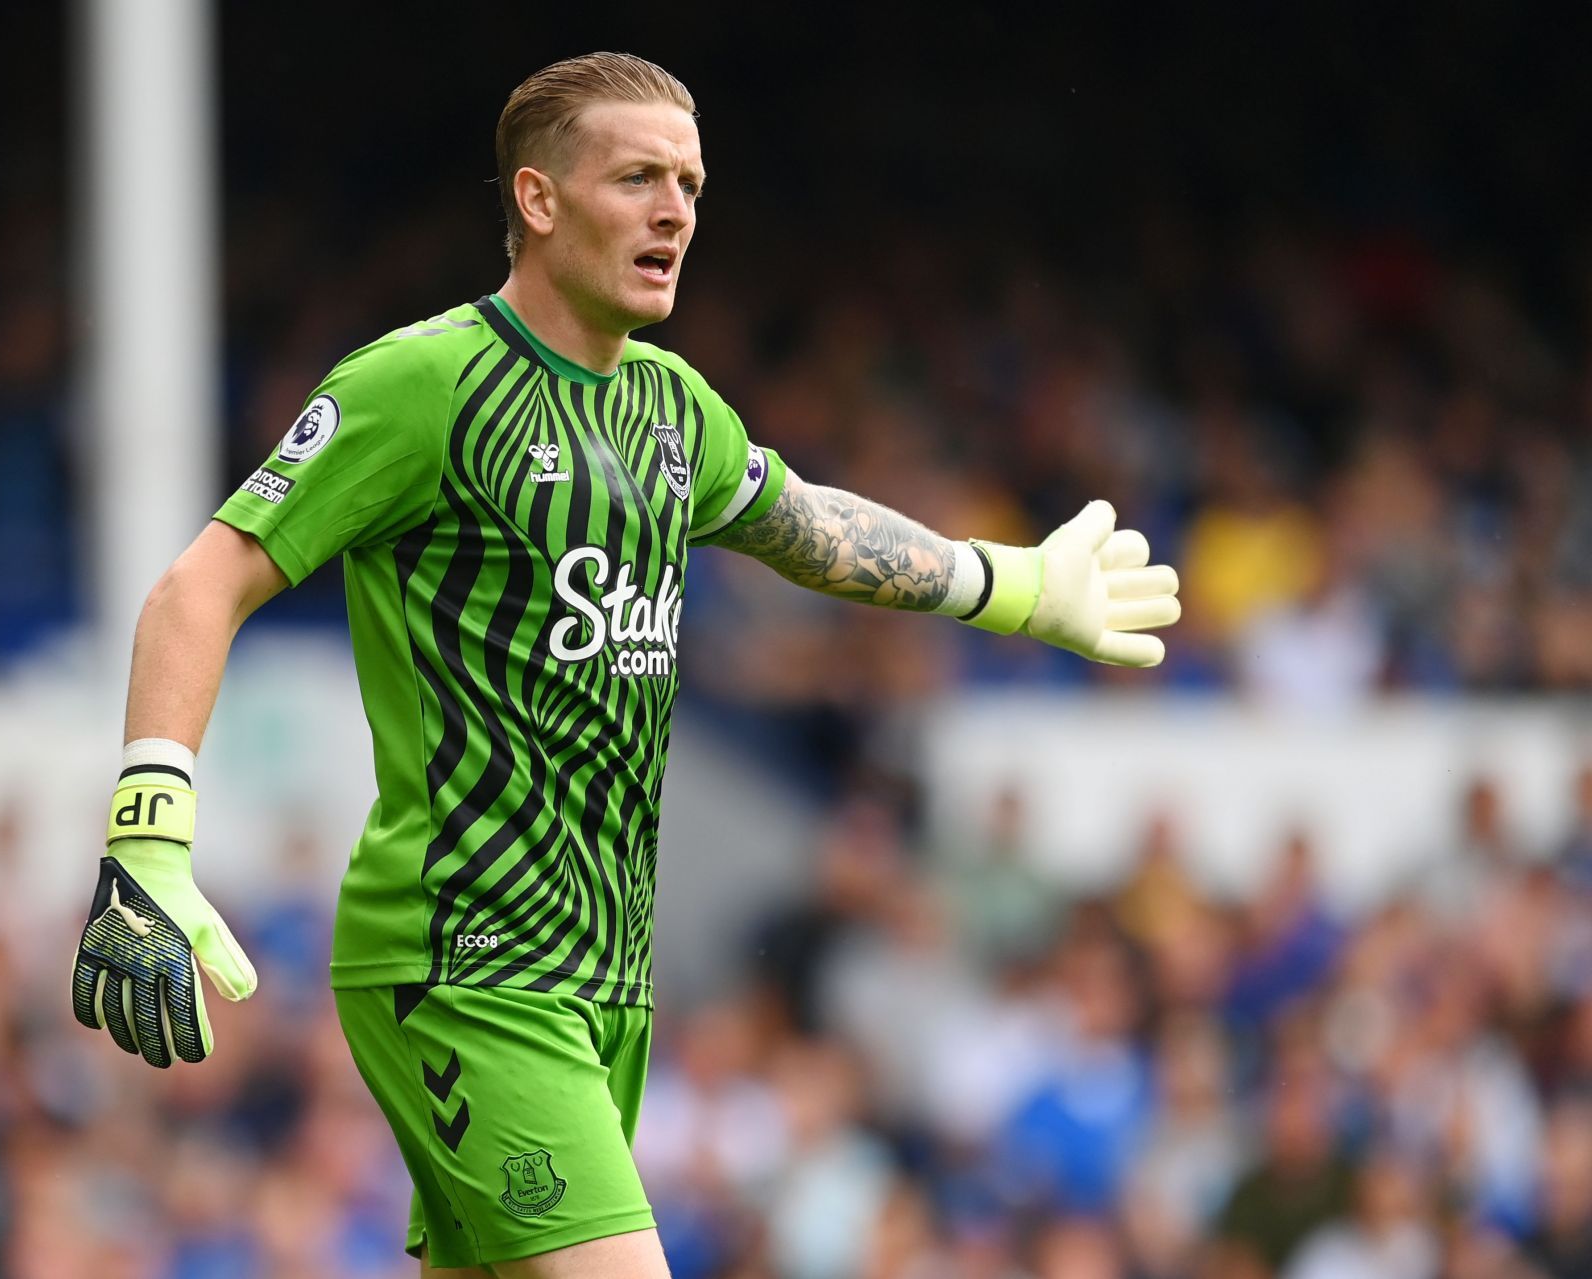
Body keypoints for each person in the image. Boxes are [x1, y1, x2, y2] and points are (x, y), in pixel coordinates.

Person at [68, 52, 1181, 1279]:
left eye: (692, 186)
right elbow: (197, 587)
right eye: (639, 178)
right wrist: (149, 839)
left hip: (608, 981)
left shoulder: (670, 407)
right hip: (468, 961)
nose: (676, 213)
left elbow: (808, 529)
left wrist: (1015, 585)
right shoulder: (423, 384)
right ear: (539, 200)